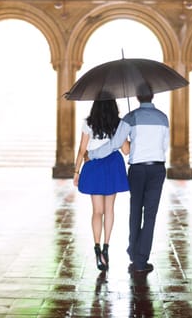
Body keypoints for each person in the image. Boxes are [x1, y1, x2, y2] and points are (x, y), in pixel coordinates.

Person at [88, 85, 169, 273]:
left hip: (138, 170)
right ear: (152, 96)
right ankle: (141, 258)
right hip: (157, 169)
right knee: (150, 215)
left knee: (135, 210)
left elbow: (116, 144)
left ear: (138, 97)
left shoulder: (130, 117)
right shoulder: (163, 118)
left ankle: (133, 251)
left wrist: (92, 155)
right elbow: (164, 146)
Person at [73, 98, 130, 272]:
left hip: (94, 166)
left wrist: (77, 172)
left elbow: (82, 150)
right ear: (114, 107)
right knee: (110, 210)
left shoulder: (88, 123)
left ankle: (97, 248)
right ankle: (107, 246)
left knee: (97, 211)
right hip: (113, 165)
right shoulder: (119, 124)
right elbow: (126, 150)